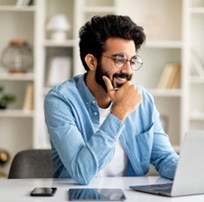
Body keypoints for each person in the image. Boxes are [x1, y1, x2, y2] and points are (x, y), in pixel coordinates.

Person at [44, 14, 179, 185]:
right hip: (79, 195)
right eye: (119, 60)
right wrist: (120, 111)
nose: (128, 70)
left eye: (132, 61)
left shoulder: (143, 99)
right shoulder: (60, 100)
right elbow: (82, 172)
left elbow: (165, 158)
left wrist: (193, 172)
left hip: (132, 196)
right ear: (92, 62)